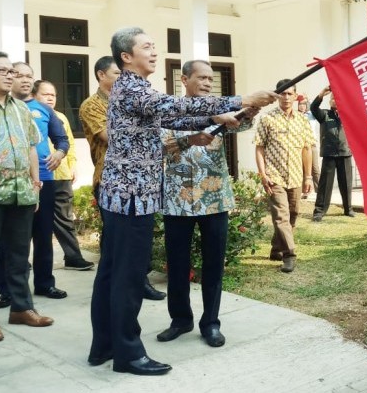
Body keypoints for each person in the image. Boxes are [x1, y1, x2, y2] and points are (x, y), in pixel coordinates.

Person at [88, 27, 277, 376]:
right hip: (132, 198)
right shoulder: (131, 87)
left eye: (154, 46)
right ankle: (128, 353)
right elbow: (173, 105)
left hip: (124, 197)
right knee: (127, 279)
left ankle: (104, 344)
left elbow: (174, 116)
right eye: (146, 47)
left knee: (112, 273)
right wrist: (239, 99)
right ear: (126, 57)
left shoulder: (134, 89)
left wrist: (215, 116)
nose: (155, 52)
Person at [156, 60, 257, 349]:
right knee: (177, 264)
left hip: (214, 200)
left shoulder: (219, 110)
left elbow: (241, 123)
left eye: (210, 80)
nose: (207, 83)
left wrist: (250, 110)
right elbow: (161, 145)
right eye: (200, 78)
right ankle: (180, 320)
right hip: (178, 201)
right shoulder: (169, 110)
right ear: (184, 79)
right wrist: (191, 139)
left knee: (214, 265)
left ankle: (210, 323)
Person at [79, 56, 166, 302]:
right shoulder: (92, 105)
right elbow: (111, 136)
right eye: (118, 74)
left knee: (140, 239)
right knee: (116, 241)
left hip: (142, 182)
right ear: (100, 75)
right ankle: (116, 285)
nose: (123, 78)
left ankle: (139, 281)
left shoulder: (135, 100)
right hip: (111, 181)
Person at [0, 52, 54, 344]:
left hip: (21, 192)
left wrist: (35, 184)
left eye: (12, 71)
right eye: (3, 70)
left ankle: (21, 308)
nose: (10, 75)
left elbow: (32, 147)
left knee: (19, 256)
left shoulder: (22, 109)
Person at [0, 63, 70, 307]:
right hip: (11, 181)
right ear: (10, 77)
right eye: (19, 75)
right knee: (10, 238)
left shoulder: (43, 110)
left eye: (29, 76)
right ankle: (6, 289)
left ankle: (44, 283)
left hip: (44, 181)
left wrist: (59, 153)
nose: (25, 80)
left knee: (42, 233)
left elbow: (61, 139)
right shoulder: (0, 108)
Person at [32, 80, 94, 271]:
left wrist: (73, 165)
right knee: (31, 221)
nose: (50, 98)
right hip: (39, 176)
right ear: (34, 96)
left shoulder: (61, 117)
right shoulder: (29, 114)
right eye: (45, 94)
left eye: (54, 95)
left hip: (62, 175)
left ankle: (73, 257)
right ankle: (21, 260)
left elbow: (69, 143)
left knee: (64, 219)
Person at [255, 79, 315, 273]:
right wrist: (263, 174)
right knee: (281, 215)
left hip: (296, 175)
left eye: (290, 93)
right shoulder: (267, 119)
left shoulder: (302, 120)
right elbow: (259, 148)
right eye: (283, 93)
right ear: (277, 95)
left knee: (293, 214)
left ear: (296, 96)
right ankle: (289, 255)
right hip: (275, 176)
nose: (286, 97)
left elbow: (307, 149)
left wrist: (307, 177)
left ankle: (276, 248)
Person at [311, 85, 354, 221]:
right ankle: (319, 211)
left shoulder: (348, 115)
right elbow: (313, 108)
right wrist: (322, 93)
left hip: (345, 152)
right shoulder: (324, 115)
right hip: (329, 154)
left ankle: (348, 209)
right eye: (332, 98)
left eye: (337, 98)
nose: (335, 100)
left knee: (346, 183)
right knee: (325, 185)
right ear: (329, 102)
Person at [297, 95, 320, 199]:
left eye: (304, 104)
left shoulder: (312, 114)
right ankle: (305, 191)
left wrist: (308, 100)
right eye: (300, 104)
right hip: (300, 145)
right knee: (302, 168)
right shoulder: (295, 116)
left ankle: (320, 191)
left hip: (311, 144)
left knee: (315, 168)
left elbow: (315, 107)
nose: (302, 106)